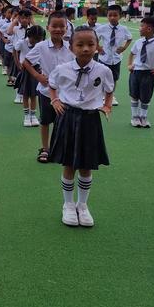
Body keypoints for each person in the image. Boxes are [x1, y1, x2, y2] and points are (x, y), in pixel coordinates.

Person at [49, 26, 114, 227]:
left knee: (86, 165)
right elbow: (51, 85)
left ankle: (83, 205)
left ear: (97, 46)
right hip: (68, 118)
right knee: (68, 163)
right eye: (80, 44)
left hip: (90, 120)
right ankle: (68, 205)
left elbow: (109, 90)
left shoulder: (103, 70)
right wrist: (55, 101)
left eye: (90, 44)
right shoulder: (62, 70)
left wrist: (107, 105)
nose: (85, 48)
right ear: (71, 47)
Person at [23, 11, 75, 163]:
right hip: (46, 92)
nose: (58, 29)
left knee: (63, 122)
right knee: (45, 121)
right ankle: (45, 148)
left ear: (67, 28)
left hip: (65, 93)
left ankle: (60, 148)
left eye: (62, 26)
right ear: (48, 27)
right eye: (55, 26)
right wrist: (38, 76)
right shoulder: (41, 46)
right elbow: (26, 62)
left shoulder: (70, 47)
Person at [127, 16, 154, 128]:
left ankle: (143, 117)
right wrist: (129, 65)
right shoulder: (139, 42)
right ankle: (135, 117)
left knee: (145, 97)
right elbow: (131, 53)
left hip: (148, 74)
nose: (139, 28)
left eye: (141, 26)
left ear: (149, 29)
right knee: (134, 95)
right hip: (135, 73)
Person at [96, 4, 132, 106]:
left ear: (120, 16)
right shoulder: (102, 28)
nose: (112, 17)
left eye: (115, 15)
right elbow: (94, 38)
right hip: (104, 58)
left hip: (116, 58)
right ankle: (102, 96)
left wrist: (124, 48)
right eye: (110, 15)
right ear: (107, 16)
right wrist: (98, 48)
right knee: (102, 77)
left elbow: (129, 38)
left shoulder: (123, 29)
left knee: (114, 78)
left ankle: (111, 95)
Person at [15, 25, 45, 127]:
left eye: (39, 39)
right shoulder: (22, 43)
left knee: (34, 94)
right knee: (25, 94)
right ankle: (26, 116)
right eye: (34, 39)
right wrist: (18, 63)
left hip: (36, 70)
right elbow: (15, 49)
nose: (36, 42)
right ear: (29, 36)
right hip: (25, 70)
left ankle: (33, 115)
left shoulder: (41, 44)